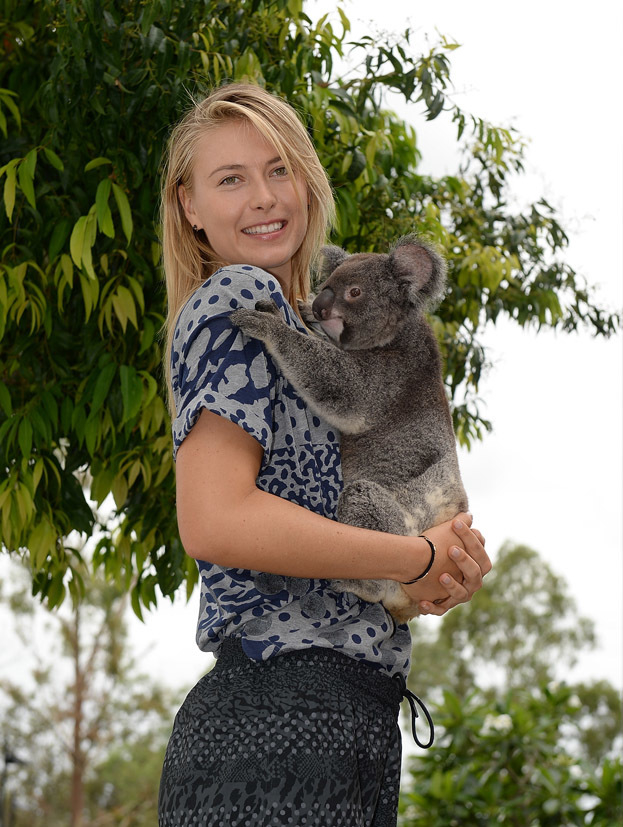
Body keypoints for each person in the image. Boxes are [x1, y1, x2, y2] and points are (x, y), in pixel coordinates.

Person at [157, 83, 491, 827]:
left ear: (308, 181)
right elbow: (213, 520)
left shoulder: (301, 320)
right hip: (279, 720)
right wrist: (409, 558)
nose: (263, 197)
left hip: (336, 718)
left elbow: (326, 529)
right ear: (189, 205)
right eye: (230, 178)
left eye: (279, 170)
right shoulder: (238, 296)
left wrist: (433, 566)